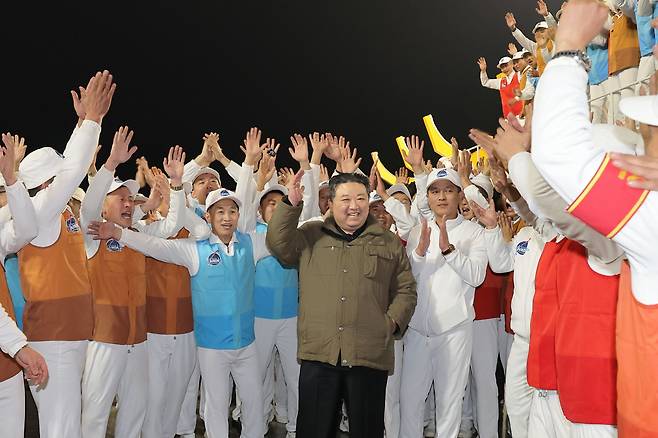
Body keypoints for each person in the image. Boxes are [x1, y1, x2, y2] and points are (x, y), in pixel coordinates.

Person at [265, 169, 416, 438]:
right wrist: (290, 204)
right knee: (314, 429)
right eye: (345, 199)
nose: (353, 206)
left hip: (368, 354)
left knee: (367, 430)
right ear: (331, 203)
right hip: (320, 354)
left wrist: (390, 323)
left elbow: (406, 289)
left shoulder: (387, 241)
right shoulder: (311, 234)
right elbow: (278, 244)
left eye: (360, 198)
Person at [14, 70, 114, 438]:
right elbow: (71, 171)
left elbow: (70, 166)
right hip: (53, 337)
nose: (68, 180)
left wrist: (84, 123)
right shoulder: (40, 210)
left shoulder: (59, 210)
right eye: (58, 177)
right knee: (61, 429)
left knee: (65, 425)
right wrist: (91, 121)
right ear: (44, 184)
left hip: (69, 333)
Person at [79, 131, 185, 438]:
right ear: (103, 205)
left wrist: (168, 191)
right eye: (120, 199)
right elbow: (88, 207)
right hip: (104, 340)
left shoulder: (139, 234)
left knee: (135, 411)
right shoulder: (93, 232)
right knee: (95, 416)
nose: (127, 203)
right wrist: (111, 163)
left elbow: (171, 222)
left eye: (130, 199)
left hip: (139, 341)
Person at [399, 167, 487, 437]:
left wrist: (449, 250)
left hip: (454, 330)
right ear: (428, 197)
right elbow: (407, 279)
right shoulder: (417, 232)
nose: (441, 197)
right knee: (410, 402)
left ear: (459, 195)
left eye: (448, 190)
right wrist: (420, 253)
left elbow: (477, 276)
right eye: (435, 191)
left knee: (449, 404)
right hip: (417, 331)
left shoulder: (473, 232)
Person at [0, 132, 49, 437]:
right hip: (13, 350)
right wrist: (19, 347)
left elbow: (27, 227)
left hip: (6, 370)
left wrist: (12, 179)